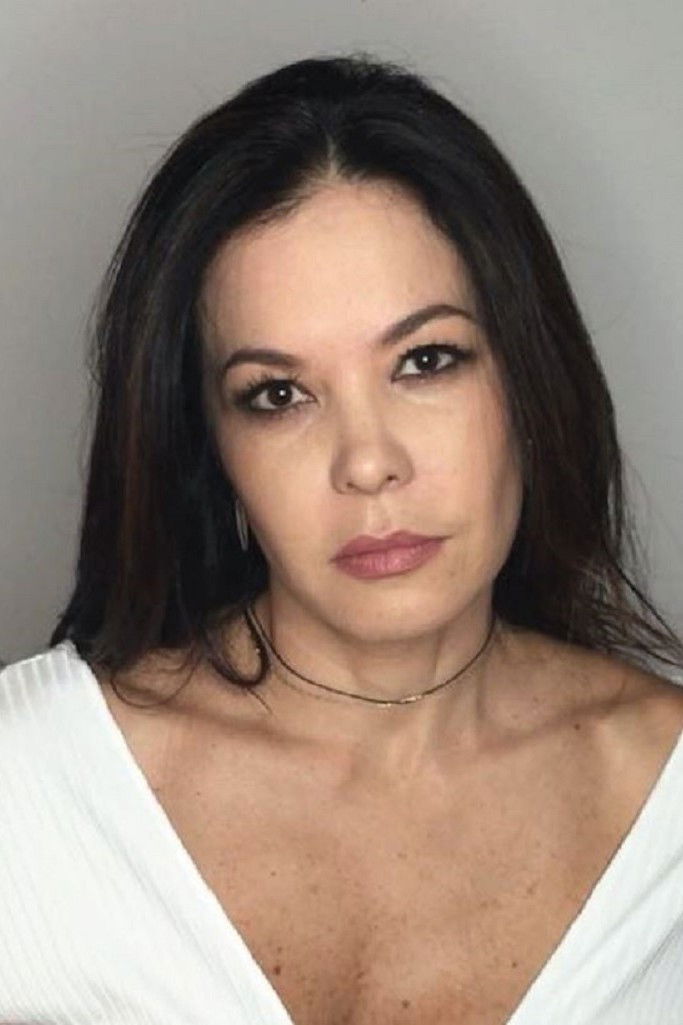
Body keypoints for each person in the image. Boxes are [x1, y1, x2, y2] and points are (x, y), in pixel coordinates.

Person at [1, 53, 682, 1025]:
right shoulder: (25, 786)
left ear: (529, 383)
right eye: (278, 394)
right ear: (212, 448)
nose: (367, 462)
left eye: (425, 360)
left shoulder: (666, 812)